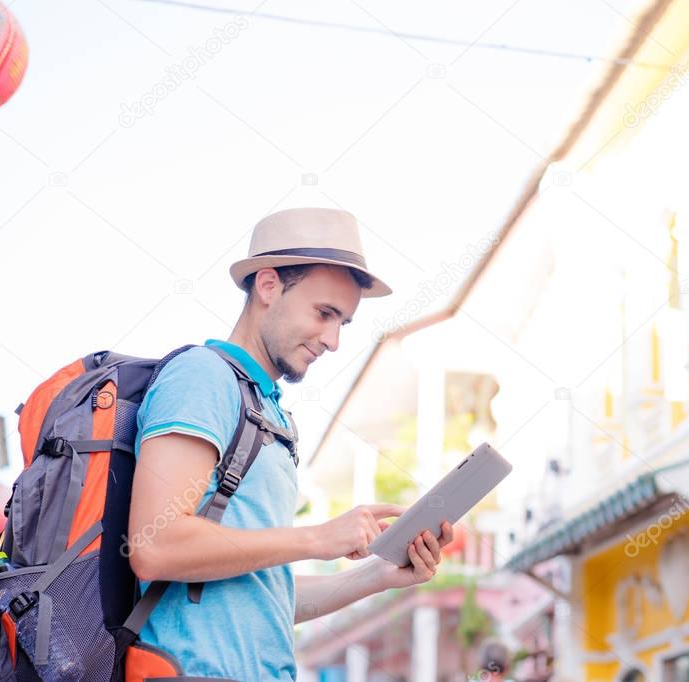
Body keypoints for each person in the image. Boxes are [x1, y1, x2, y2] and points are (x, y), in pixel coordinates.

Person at [127, 207, 455, 681]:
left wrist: (379, 575)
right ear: (268, 286)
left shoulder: (270, 415)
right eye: (324, 313)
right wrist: (319, 539)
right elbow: (153, 547)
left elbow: (265, 595)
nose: (334, 340)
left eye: (343, 321)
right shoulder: (203, 376)